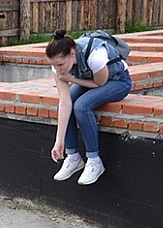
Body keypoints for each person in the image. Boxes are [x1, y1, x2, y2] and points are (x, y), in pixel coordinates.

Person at [45, 29, 132, 185]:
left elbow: (100, 83)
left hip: (117, 81)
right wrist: (59, 141)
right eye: (54, 65)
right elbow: (64, 102)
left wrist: (72, 79)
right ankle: (73, 157)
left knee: (81, 106)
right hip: (90, 80)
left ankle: (94, 161)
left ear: (72, 54)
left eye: (60, 64)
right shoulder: (58, 67)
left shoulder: (94, 55)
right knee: (66, 106)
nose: (58, 69)